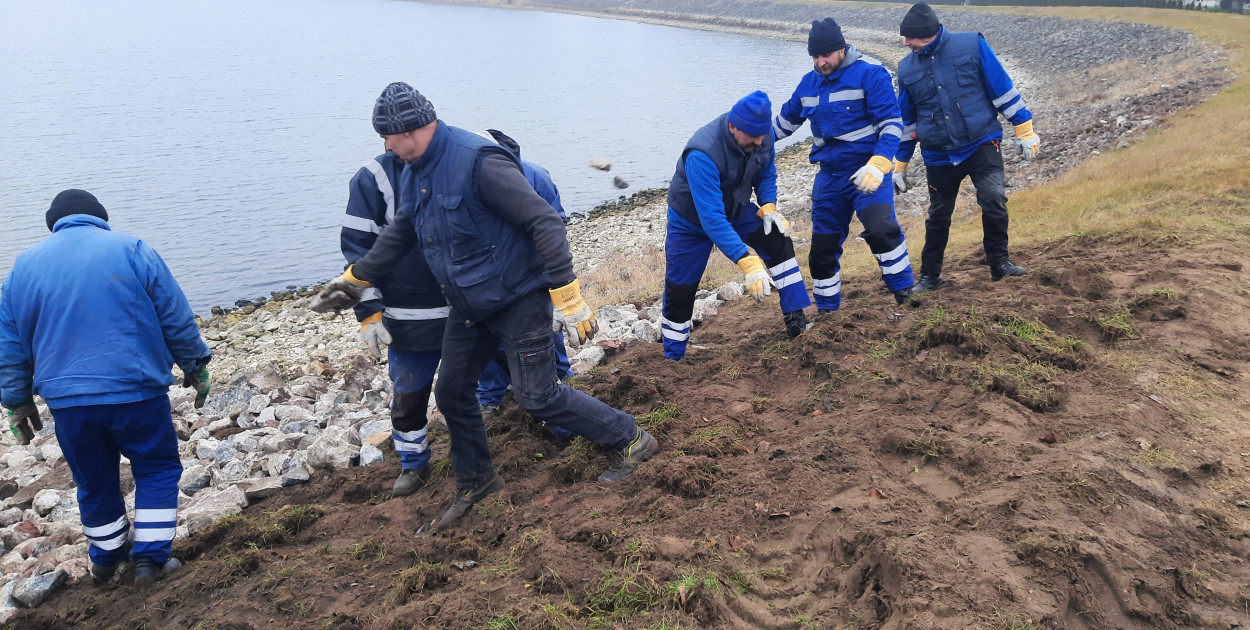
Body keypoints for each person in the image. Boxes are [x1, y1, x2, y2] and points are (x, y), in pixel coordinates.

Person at [312, 83, 658, 528]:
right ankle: (477, 482)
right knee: (452, 393)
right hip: (469, 304)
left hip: (518, 297)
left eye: (388, 137)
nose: (385, 146)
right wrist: (356, 279)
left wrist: (566, 292)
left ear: (412, 129)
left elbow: (544, 220)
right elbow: (402, 231)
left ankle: (631, 439)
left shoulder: (478, 161)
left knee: (537, 395)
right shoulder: (414, 169)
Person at [0, 190, 212, 588]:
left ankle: (105, 559)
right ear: (100, 217)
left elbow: (10, 346)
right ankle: (150, 560)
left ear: (53, 223)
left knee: (93, 480)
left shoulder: (22, 267)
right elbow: (174, 314)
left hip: (68, 402)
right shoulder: (132, 249)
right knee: (156, 468)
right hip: (136, 391)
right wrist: (195, 365)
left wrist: (17, 401)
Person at [893, 2, 1038, 293]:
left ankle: (1000, 263)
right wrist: (899, 165)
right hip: (938, 153)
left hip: (982, 141)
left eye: (909, 37)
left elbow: (1002, 88)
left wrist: (1025, 129)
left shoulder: (972, 45)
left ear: (927, 33)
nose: (905, 43)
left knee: (993, 198)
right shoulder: (906, 68)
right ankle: (930, 277)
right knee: (938, 216)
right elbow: (907, 122)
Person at [774, 17, 916, 313]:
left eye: (825, 55)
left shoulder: (871, 75)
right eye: (815, 56)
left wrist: (880, 163)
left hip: (868, 172)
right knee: (822, 249)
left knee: (881, 230)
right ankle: (828, 311)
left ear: (841, 49)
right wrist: (742, 140)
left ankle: (906, 294)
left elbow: (892, 123)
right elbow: (784, 124)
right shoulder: (808, 83)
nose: (820, 62)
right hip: (829, 178)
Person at [662, 90, 813, 361]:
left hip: (737, 208)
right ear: (732, 126)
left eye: (762, 135)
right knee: (680, 289)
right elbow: (711, 218)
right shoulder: (702, 153)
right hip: (691, 222)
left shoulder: (762, 135)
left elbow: (766, 174)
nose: (759, 141)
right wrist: (746, 261)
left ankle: (795, 318)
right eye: (752, 136)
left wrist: (768, 205)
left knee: (777, 240)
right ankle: (673, 356)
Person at [341, 151, 448, 497]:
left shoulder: (456, 161)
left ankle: (477, 447)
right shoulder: (373, 178)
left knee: (472, 387)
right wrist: (369, 312)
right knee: (409, 396)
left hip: (469, 311)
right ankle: (413, 462)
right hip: (407, 320)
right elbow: (358, 253)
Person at [471, 130, 575, 429]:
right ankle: (490, 396)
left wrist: (553, 276)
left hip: (530, 271)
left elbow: (555, 223)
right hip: (485, 275)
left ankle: (562, 376)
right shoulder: (465, 179)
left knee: (544, 326)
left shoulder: (535, 175)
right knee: (486, 335)